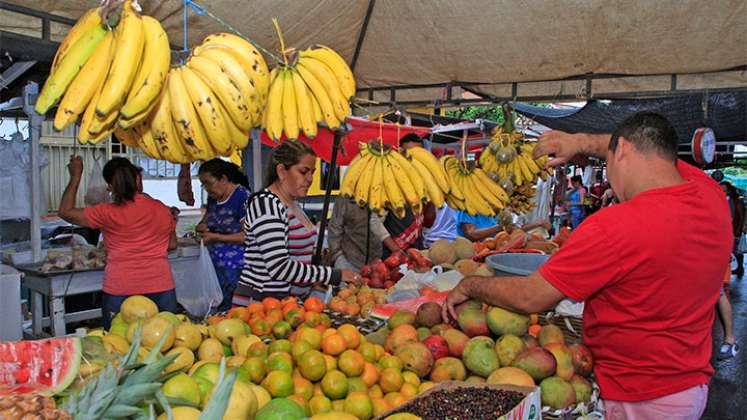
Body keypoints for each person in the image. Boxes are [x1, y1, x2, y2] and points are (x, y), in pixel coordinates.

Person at [443, 112, 731, 420]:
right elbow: (642, 146)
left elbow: (530, 296)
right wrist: (580, 142)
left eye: (607, 163)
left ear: (621, 151)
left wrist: (469, 284)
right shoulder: (710, 196)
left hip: (636, 398)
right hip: (689, 390)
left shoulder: (615, 226)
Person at [58, 156, 178, 329]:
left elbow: (66, 211)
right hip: (160, 285)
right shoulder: (162, 209)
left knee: (118, 345)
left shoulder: (106, 212)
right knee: (163, 343)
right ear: (137, 179)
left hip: (120, 287)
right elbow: (171, 245)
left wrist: (76, 176)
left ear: (110, 186)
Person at [239, 140, 360, 300]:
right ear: (282, 171)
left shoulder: (293, 204)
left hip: (289, 306)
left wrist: (314, 278)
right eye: (303, 172)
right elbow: (278, 266)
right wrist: (333, 275)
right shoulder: (266, 204)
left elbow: (298, 258)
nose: (310, 179)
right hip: (261, 306)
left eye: (312, 172)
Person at [196, 159, 252, 313]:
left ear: (224, 179)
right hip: (215, 265)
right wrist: (202, 227)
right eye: (203, 184)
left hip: (236, 268)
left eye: (208, 183)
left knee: (231, 311)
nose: (206, 188)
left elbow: (248, 236)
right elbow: (205, 221)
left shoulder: (242, 197)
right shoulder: (214, 198)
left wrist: (216, 237)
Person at [381, 133, 427, 256]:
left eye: (418, 153)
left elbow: (428, 222)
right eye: (408, 153)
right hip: (392, 254)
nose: (412, 157)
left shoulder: (424, 181)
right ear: (400, 153)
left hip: (417, 250)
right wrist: (396, 250)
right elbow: (374, 221)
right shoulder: (389, 180)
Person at [327, 195, 400, 271]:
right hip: (349, 261)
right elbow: (334, 230)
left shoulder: (383, 196)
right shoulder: (345, 199)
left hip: (376, 264)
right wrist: (338, 257)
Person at [456, 210, 549, 242]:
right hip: (472, 254)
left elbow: (512, 229)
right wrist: (500, 227)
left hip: (491, 251)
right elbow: (471, 234)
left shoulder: (494, 212)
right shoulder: (469, 209)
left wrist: (537, 224)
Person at [722, 182, 745, 277]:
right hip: (724, 228)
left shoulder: (737, 201)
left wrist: (740, 228)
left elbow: (741, 216)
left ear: (729, 190)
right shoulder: (720, 199)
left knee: (736, 250)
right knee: (727, 250)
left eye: (724, 189)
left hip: (734, 228)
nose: (723, 191)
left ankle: (740, 267)